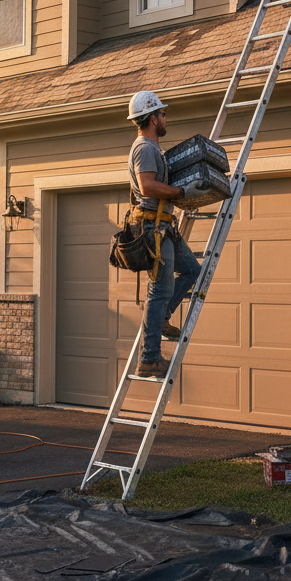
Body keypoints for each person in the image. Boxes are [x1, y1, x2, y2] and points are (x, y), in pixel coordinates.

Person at [126, 90, 207, 379]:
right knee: (159, 291)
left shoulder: (151, 148)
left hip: (164, 226)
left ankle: (161, 320)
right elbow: (147, 187)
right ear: (151, 118)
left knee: (193, 271)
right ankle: (148, 359)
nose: (164, 117)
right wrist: (181, 192)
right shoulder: (145, 148)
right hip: (154, 228)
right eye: (161, 113)